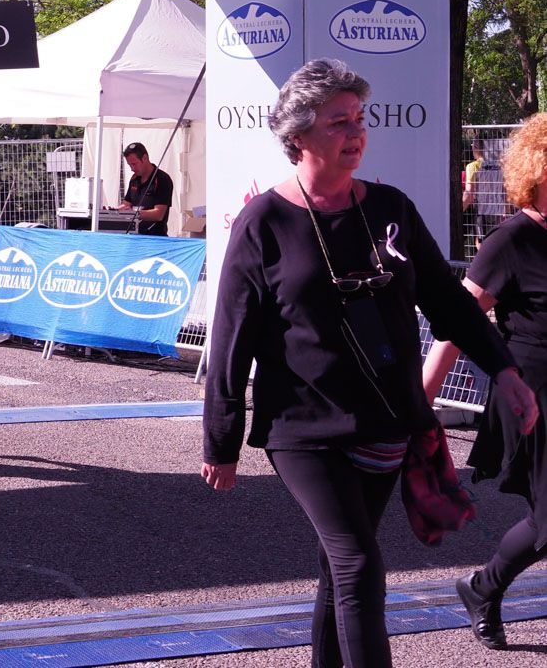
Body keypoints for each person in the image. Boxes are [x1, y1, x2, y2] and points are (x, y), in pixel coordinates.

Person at [202, 58, 538, 668]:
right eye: (338, 122)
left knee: (341, 572)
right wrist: (221, 438)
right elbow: (232, 336)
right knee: (358, 562)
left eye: (359, 119)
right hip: (303, 427)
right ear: (298, 135)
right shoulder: (265, 222)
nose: (355, 133)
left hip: (387, 422)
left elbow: (448, 302)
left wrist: (505, 371)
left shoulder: (391, 208)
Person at [423, 113, 547, 651]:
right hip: (532, 396)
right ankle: (483, 586)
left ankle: (481, 587)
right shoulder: (512, 239)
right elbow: (457, 323)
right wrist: (418, 400)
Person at [114, 141, 173, 236]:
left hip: (154, 239)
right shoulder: (134, 179)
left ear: (145, 158)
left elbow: (159, 214)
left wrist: (134, 213)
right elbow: (126, 204)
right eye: (129, 165)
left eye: (134, 164)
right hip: (134, 237)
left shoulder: (162, 179)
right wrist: (113, 210)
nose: (132, 168)